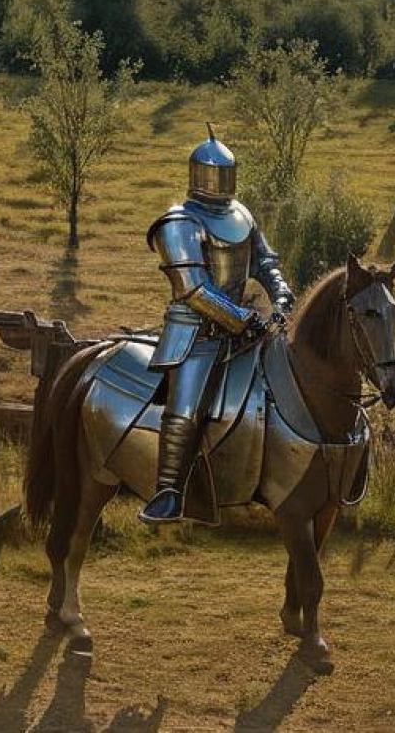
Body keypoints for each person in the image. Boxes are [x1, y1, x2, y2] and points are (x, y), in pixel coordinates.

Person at [139, 127, 294, 522]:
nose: (222, 181)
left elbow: (264, 261)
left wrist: (280, 293)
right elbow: (194, 291)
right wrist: (241, 319)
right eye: (217, 173)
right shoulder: (178, 222)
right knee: (186, 410)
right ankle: (169, 490)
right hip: (195, 335)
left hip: (245, 331)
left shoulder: (241, 214)